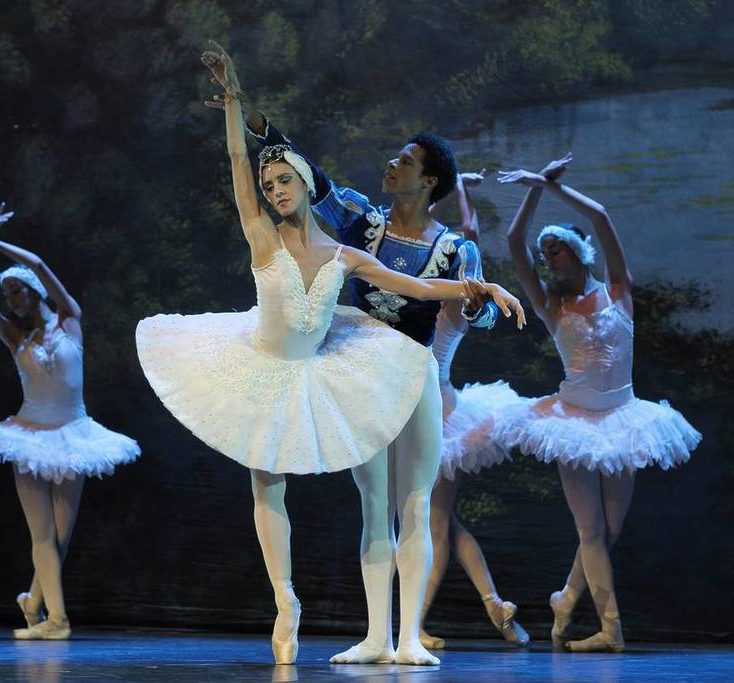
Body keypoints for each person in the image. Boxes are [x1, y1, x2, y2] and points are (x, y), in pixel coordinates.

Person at [136, 43, 522, 666]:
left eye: (404, 160)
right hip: (356, 366)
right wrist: (241, 103)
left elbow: (448, 305)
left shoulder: (452, 247)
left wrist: (483, 291)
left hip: (416, 370)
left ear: (429, 182)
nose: (389, 164)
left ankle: (408, 637)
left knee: (415, 501)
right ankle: (374, 634)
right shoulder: (360, 219)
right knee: (372, 504)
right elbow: (291, 167)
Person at [497, 154, 701, 652]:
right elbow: (511, 243)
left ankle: (566, 598)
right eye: (545, 254)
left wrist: (554, 186)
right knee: (590, 530)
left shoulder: (618, 291)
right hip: (573, 421)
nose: (549, 259)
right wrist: (534, 191)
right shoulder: (551, 306)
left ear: (578, 253)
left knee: (609, 529)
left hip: (624, 419)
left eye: (556, 250)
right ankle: (611, 629)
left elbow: (602, 219)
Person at [0, 206, 140, 640]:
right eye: (8, 296)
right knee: (41, 534)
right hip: (28, 436)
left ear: (33, 290)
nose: (11, 300)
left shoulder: (69, 321)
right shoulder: (16, 337)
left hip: (73, 434)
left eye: (16, 291)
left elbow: (40, 264)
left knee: (59, 535)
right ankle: (55, 621)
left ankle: (33, 601)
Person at [420, 172, 530, 649]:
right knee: (441, 520)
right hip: (427, 408)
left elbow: (463, 242)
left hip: (437, 418)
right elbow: (469, 234)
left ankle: (415, 623)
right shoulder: (457, 292)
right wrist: (458, 188)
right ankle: (493, 604)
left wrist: (452, 192)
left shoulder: (455, 303)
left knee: (435, 525)